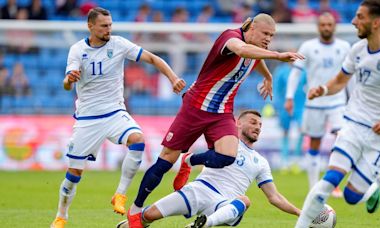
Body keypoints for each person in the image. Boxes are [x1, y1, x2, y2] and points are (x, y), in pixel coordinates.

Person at [125, 13, 304, 227]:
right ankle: (136, 209)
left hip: (222, 112)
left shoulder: (254, 49)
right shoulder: (230, 38)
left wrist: (268, 75)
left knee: (228, 155)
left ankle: (189, 160)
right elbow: (242, 50)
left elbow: (255, 58)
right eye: (265, 33)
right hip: (196, 106)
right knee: (165, 160)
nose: (268, 39)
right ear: (252, 28)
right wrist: (276, 55)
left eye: (272, 36)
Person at [50, 7, 186, 228]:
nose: (108, 29)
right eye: (104, 26)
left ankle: (120, 194)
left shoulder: (119, 44)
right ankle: (61, 215)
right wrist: (69, 79)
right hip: (87, 119)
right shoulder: (77, 50)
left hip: (115, 111)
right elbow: (67, 84)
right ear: (90, 26)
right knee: (74, 173)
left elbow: (152, 58)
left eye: (110, 25)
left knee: (138, 140)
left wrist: (173, 77)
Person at [295, 0, 380, 227]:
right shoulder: (357, 50)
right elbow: (340, 81)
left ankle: (373, 184)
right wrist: (322, 89)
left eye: (360, 17)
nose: (353, 22)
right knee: (329, 180)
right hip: (353, 123)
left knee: (352, 197)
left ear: (377, 22)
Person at [117, 110, 301, 228]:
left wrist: (301, 213)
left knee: (244, 200)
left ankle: (204, 224)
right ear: (238, 123)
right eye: (253, 122)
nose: (257, 127)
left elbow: (274, 197)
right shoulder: (224, 141)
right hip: (199, 189)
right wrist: (189, 161)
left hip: (224, 203)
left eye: (260, 125)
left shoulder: (261, 162)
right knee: (148, 215)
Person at [284, 12, 351, 197]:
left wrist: (352, 99)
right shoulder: (308, 46)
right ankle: (314, 187)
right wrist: (289, 97)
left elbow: (349, 76)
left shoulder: (344, 47)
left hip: (338, 101)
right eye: (323, 24)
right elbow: (296, 73)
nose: (326, 28)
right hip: (314, 102)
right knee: (314, 143)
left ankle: (333, 183)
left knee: (342, 139)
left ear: (334, 26)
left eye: (329, 24)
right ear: (318, 26)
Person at [272, 61, 306, 171]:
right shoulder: (281, 71)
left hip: (300, 105)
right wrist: (275, 104)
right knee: (285, 132)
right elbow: (276, 88)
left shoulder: (303, 71)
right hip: (285, 105)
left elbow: (309, 85)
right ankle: (284, 160)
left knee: (302, 131)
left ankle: (296, 160)